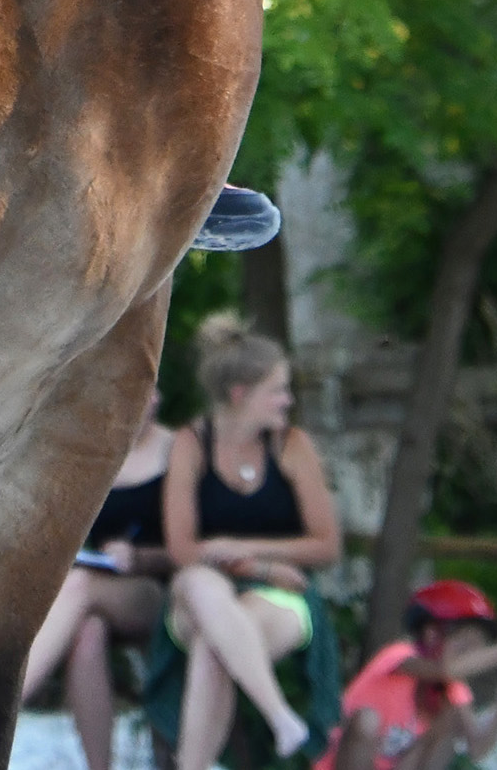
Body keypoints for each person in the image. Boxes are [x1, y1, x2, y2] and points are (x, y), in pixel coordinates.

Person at [147, 313, 343, 770]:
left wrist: (245, 550)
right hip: (208, 591)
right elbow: (182, 550)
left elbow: (326, 545)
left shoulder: (292, 445)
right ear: (240, 395)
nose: (287, 400)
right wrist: (258, 566)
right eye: (277, 390)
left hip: (279, 594)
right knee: (200, 584)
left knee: (216, 642)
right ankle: (280, 717)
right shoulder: (191, 444)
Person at [19, 387, 174, 770]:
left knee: (77, 587)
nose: (151, 399)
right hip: (102, 584)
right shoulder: (92, 453)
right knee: (87, 631)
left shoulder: (178, 450)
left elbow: (194, 544)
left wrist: (139, 557)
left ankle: (1, 704)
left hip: (161, 585)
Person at [318, 578, 497, 770]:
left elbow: (477, 748)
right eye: (465, 647)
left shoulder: (454, 690)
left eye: (478, 650)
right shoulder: (400, 655)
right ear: (431, 634)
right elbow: (445, 670)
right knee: (367, 720)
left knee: (448, 726)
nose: (473, 659)